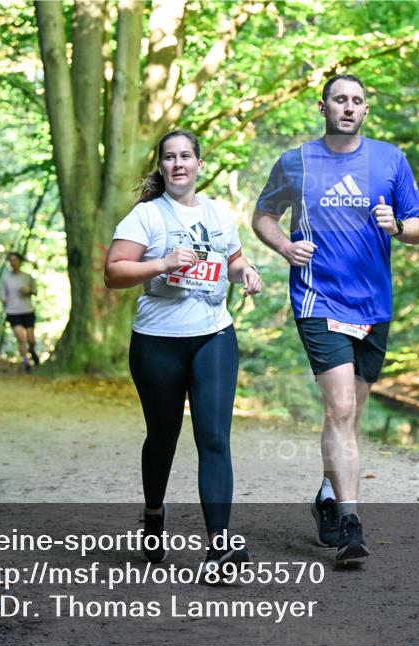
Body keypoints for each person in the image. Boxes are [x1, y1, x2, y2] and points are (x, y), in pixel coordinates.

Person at [252, 73, 419, 564]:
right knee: (341, 411)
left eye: (357, 101)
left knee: (351, 416)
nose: (348, 107)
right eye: (339, 100)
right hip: (318, 298)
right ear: (322, 107)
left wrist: (400, 227)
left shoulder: (390, 159)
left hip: (373, 305)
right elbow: (263, 215)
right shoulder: (296, 162)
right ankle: (351, 521)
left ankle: (328, 497)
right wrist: (284, 245)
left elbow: (417, 227)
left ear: (365, 111)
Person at [104, 129, 263, 571]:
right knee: (163, 435)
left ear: (198, 164)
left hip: (213, 335)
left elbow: (232, 260)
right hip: (158, 342)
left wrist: (246, 272)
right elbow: (114, 273)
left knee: (214, 437)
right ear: (162, 166)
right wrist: (162, 263)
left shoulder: (217, 214)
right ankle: (153, 515)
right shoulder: (146, 217)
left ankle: (220, 545)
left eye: (186, 156)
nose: (178, 164)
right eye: (170, 157)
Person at [0, 252, 40, 372]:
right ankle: (26, 362)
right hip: (13, 312)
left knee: (31, 338)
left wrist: (28, 290)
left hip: (27, 310)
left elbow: (35, 291)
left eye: (15, 260)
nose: (13, 263)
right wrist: (4, 301)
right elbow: (3, 295)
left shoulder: (27, 277)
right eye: (11, 260)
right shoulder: (6, 278)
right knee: (21, 338)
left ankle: (32, 350)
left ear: (20, 262)